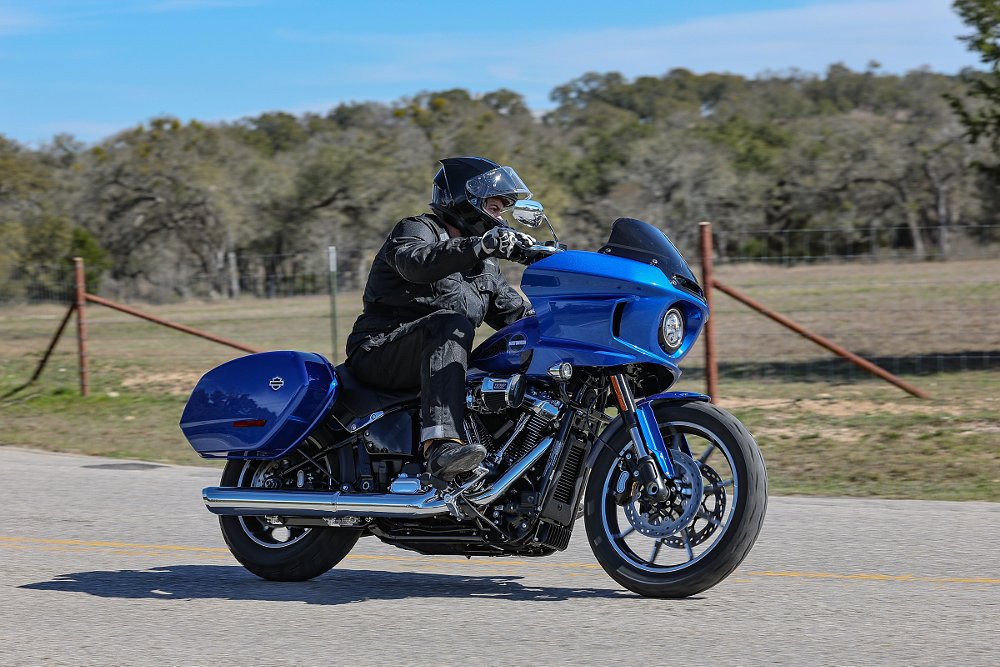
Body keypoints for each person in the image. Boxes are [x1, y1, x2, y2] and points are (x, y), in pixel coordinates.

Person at [345, 157, 537, 481]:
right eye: (494, 206)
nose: (500, 216)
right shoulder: (416, 229)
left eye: (502, 209)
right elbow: (416, 262)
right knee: (452, 325)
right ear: (466, 201)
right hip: (379, 349)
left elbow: (518, 317)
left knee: (522, 344)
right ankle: (440, 444)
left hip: (431, 357)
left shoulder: (486, 269)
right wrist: (481, 245)